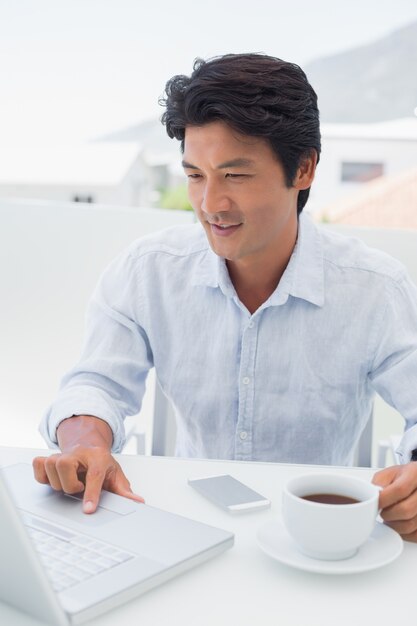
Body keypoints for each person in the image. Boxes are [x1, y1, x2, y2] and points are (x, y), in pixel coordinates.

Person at [33, 53, 417, 541]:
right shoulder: (149, 271)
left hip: (315, 539)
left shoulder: (375, 288)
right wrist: (84, 442)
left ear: (303, 169)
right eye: (195, 175)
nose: (211, 204)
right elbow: (95, 383)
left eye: (235, 175)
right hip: (184, 528)